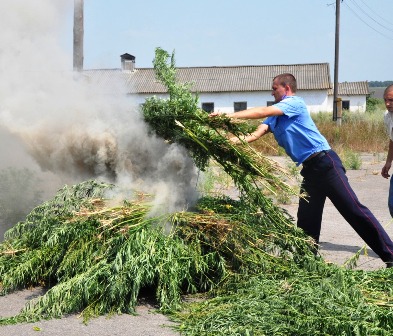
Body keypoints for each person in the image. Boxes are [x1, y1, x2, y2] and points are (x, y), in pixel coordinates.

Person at [210, 73, 393, 268]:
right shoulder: (274, 118)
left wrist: (226, 115)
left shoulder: (294, 103)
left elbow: (262, 110)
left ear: (286, 88)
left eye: (274, 88)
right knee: (307, 219)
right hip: (310, 170)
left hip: (326, 163)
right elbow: (254, 135)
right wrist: (223, 143)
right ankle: (306, 264)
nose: (272, 92)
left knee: (353, 211)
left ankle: (390, 255)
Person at [381, 85, 393, 218]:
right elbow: (392, 139)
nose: (387, 104)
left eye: (391, 100)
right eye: (385, 100)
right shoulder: (387, 116)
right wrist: (388, 162)